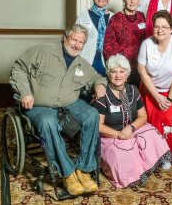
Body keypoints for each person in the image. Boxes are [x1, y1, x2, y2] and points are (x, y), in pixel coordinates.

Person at [9, 24, 107, 196]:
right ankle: (68, 173)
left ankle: (84, 169)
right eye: (74, 40)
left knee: (91, 115)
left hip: (69, 104)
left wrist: (99, 85)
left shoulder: (82, 65)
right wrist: (25, 92)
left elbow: (98, 77)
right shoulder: (42, 51)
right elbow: (18, 68)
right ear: (65, 38)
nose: (77, 45)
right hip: (40, 105)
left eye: (81, 42)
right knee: (48, 122)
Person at [93, 54, 172, 188]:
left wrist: (130, 128)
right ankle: (131, 174)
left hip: (131, 129)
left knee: (152, 132)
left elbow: (143, 116)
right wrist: (120, 134)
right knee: (123, 151)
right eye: (113, 71)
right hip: (110, 136)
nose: (118, 75)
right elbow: (99, 126)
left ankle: (145, 165)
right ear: (108, 74)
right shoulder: (102, 94)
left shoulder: (133, 90)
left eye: (122, 71)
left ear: (127, 74)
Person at [138, 10, 172, 162]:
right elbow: (142, 73)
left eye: (164, 27)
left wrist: (168, 100)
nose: (160, 30)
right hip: (151, 89)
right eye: (156, 27)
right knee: (150, 123)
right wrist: (156, 96)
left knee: (170, 121)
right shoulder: (146, 44)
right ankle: (154, 155)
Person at [103, 0, 146, 86]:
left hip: (140, 65)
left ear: (139, 0)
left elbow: (146, 39)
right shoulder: (116, 19)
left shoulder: (142, 17)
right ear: (124, 0)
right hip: (122, 67)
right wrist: (117, 69)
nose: (132, 1)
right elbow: (108, 46)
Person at [76, 0, 114, 76]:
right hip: (85, 61)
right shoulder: (83, 16)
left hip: (106, 62)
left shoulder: (114, 17)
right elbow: (75, 39)